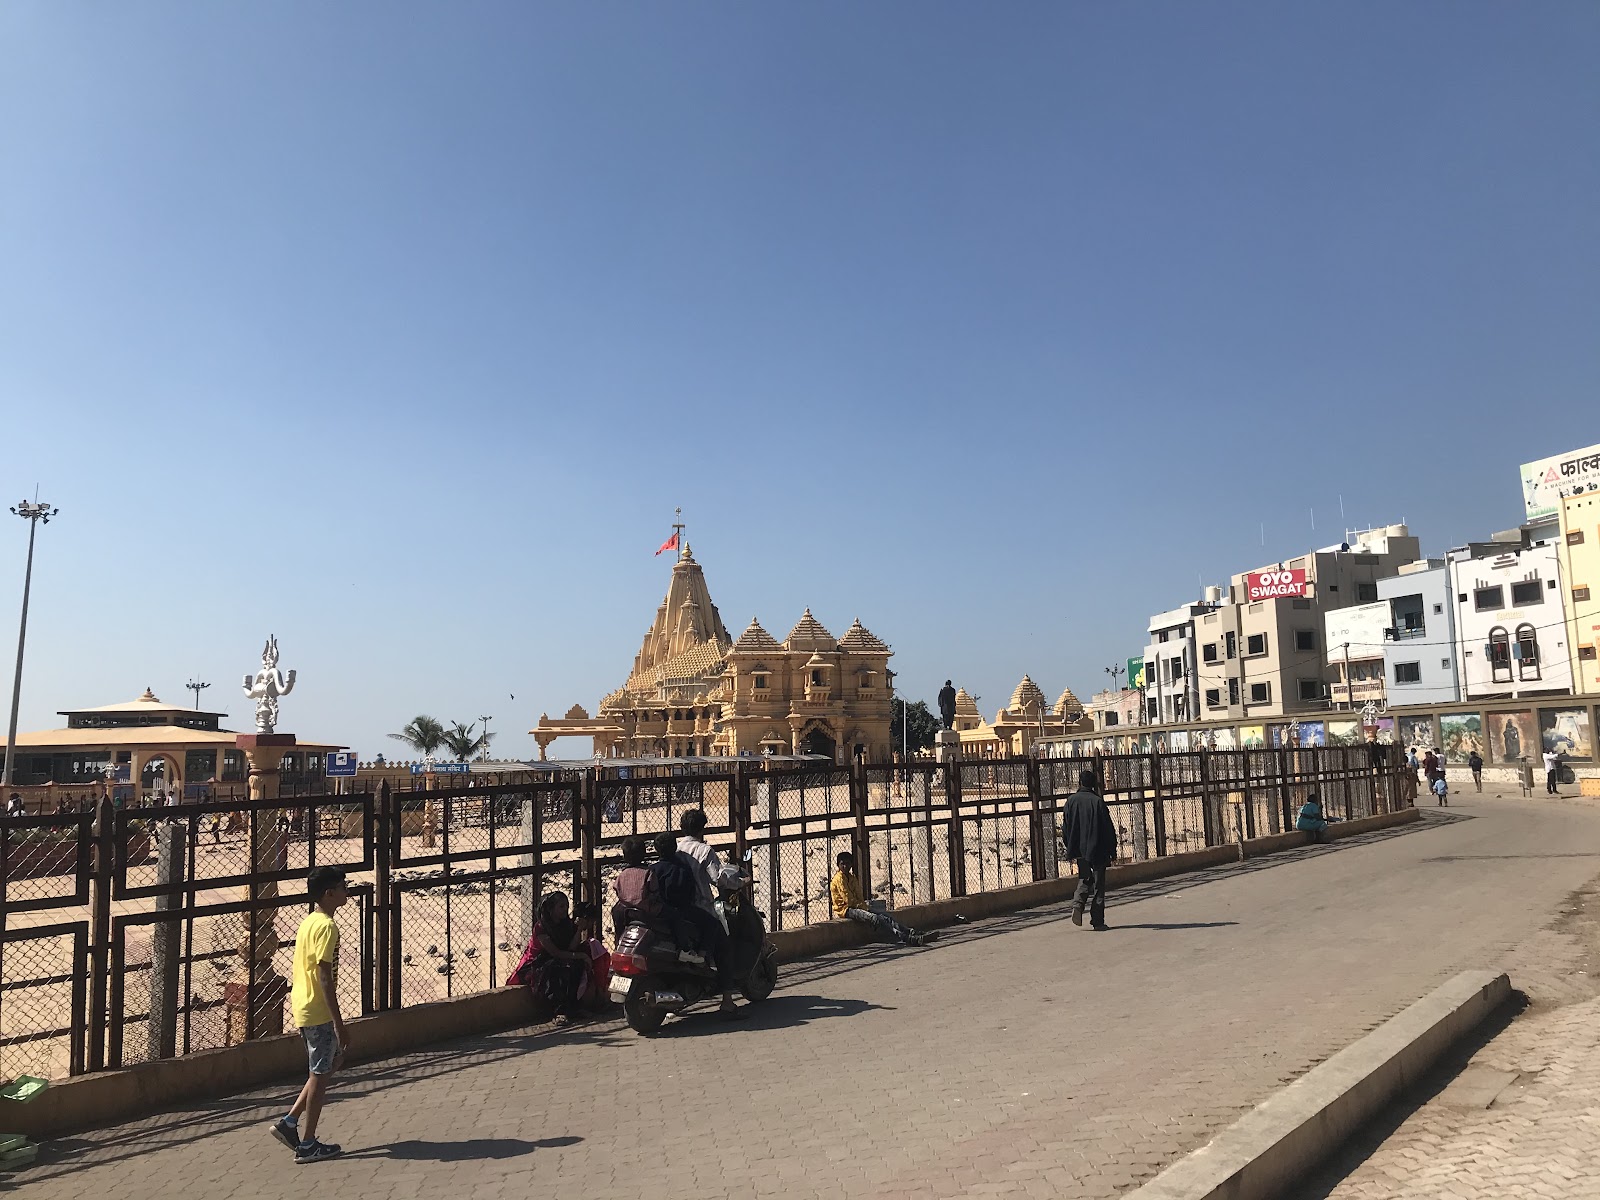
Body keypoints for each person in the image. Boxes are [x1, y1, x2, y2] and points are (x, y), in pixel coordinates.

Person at [270, 865, 350, 1164]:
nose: (346, 891)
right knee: (320, 1074)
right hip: (317, 1009)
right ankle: (308, 1143)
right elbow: (324, 976)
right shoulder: (328, 927)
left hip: (304, 1005)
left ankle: (289, 1123)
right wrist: (340, 1025)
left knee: (322, 1069)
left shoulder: (310, 922)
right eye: (342, 887)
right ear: (329, 893)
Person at [675, 811, 747, 1018]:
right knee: (724, 948)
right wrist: (740, 882)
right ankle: (727, 1001)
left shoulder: (678, 849)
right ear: (702, 828)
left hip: (680, 909)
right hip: (701, 907)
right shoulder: (704, 850)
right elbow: (718, 879)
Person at [508, 892, 588, 1026]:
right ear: (551, 909)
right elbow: (554, 952)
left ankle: (573, 1007)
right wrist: (581, 956)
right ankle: (558, 1011)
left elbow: (571, 947)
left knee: (576, 966)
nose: (565, 910)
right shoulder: (541, 927)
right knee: (556, 969)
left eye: (566, 907)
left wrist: (579, 930)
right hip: (537, 963)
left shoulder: (565, 924)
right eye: (561, 907)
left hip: (558, 957)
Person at [830, 851, 929, 946]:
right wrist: (862, 906)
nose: (845, 866)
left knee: (886, 916)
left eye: (847, 863)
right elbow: (848, 900)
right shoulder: (839, 879)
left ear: (851, 864)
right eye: (842, 864)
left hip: (857, 906)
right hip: (846, 909)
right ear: (838, 865)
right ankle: (904, 937)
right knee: (875, 918)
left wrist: (863, 905)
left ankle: (910, 931)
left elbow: (859, 895)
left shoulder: (852, 878)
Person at [1060, 770, 1118, 931]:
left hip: (1079, 849)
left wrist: (1070, 846)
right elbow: (1107, 828)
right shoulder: (1098, 802)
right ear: (1093, 784)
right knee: (1098, 884)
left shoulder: (1070, 801)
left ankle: (1078, 904)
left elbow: (1065, 827)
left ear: (1080, 782)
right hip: (1098, 849)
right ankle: (1097, 920)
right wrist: (1112, 849)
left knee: (1085, 878)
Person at [610, 835, 656, 940]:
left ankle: (618, 939)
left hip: (625, 911)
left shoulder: (623, 873)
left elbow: (617, 889)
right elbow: (653, 889)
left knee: (615, 912)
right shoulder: (648, 872)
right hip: (645, 911)